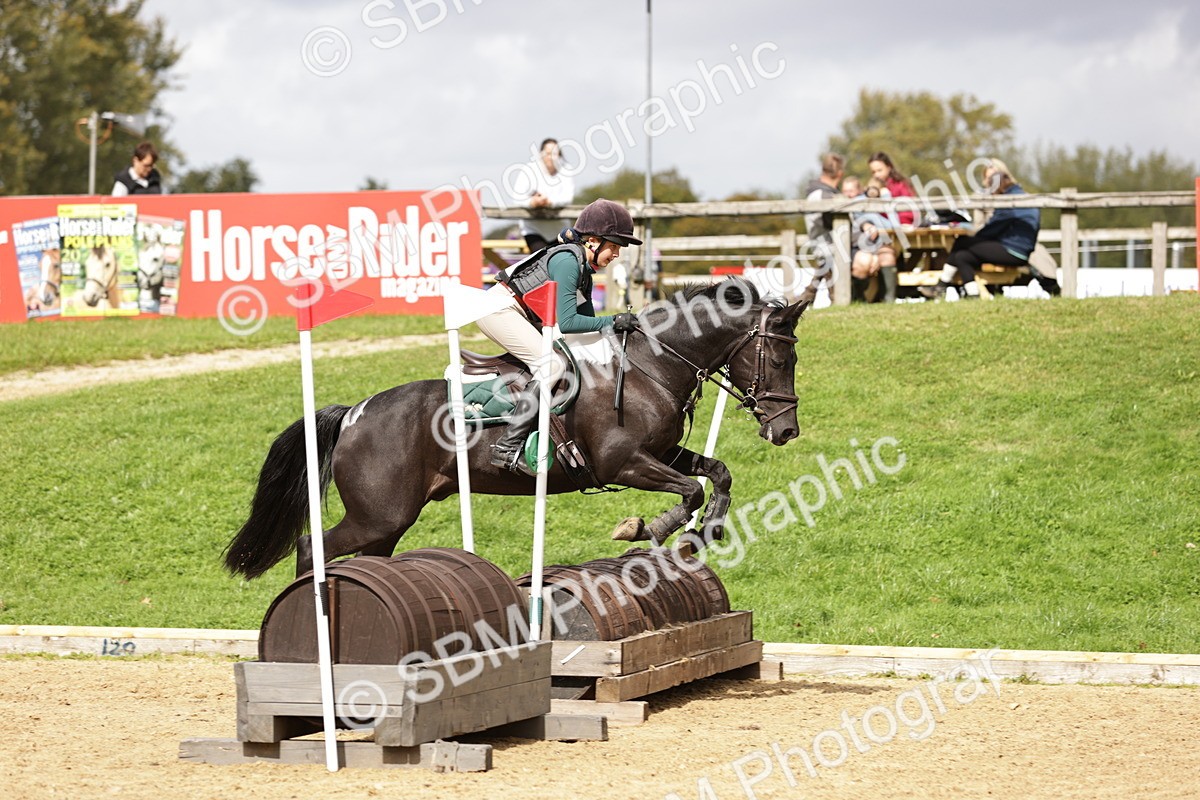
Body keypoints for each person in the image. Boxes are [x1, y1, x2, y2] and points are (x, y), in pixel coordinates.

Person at [478, 198, 641, 474]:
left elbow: (588, 327)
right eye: (613, 246)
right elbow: (567, 323)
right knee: (551, 365)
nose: (616, 255)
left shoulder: (584, 272)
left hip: (517, 313)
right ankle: (507, 447)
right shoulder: (567, 262)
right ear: (592, 241)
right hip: (498, 311)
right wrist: (614, 320)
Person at [919, 158, 1041, 301]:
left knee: (962, 242)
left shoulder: (1008, 200)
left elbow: (992, 229)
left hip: (1013, 250)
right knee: (962, 256)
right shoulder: (1021, 195)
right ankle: (972, 295)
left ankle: (940, 286)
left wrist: (975, 238)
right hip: (1017, 248)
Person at [861, 152, 916, 303]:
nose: (876, 174)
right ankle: (880, 296)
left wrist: (891, 223)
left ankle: (890, 296)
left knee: (888, 252)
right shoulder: (872, 187)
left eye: (879, 170)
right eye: (873, 171)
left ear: (889, 167)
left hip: (899, 232)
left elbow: (910, 211)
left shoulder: (900, 185)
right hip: (878, 234)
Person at [519, 138, 575, 252]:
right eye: (548, 153)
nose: (551, 157)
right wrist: (532, 202)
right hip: (534, 230)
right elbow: (518, 198)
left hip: (560, 230)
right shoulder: (528, 170)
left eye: (555, 154)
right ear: (541, 154)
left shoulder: (566, 170)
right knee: (541, 264)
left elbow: (567, 198)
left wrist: (549, 202)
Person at [803, 153, 845, 286]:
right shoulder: (824, 195)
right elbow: (833, 225)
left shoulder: (816, 192)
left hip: (822, 246)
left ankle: (809, 293)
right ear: (840, 173)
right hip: (830, 247)